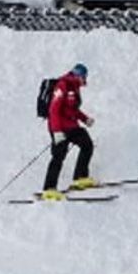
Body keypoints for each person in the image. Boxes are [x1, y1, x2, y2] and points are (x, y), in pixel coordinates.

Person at [40, 63, 97, 199]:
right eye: (84, 76)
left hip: (72, 126)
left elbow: (71, 109)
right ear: (78, 75)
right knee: (58, 156)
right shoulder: (62, 85)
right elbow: (54, 109)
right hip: (59, 127)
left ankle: (80, 177)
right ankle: (49, 188)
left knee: (87, 145)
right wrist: (57, 131)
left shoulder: (74, 87)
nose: (85, 80)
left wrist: (85, 119)